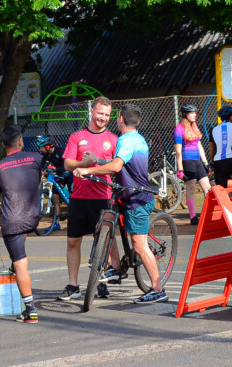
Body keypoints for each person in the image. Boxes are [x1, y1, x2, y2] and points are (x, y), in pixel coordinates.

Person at [73, 104, 167, 304]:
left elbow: (116, 166)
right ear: (137, 122)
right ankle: (115, 268)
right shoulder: (137, 138)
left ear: (121, 119)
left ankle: (158, 289)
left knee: (139, 246)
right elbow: (123, 164)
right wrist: (97, 160)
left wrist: (87, 170)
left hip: (137, 199)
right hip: (126, 194)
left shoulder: (125, 140)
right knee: (105, 221)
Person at [58, 96, 118, 302]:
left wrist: (97, 164)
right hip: (79, 197)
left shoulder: (113, 139)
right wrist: (83, 163)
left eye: (107, 115)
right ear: (91, 112)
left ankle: (101, 281)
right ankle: (73, 285)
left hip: (103, 197)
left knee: (103, 241)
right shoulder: (77, 137)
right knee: (73, 241)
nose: (103, 118)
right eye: (100, 113)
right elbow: (67, 164)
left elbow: (116, 165)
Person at [0, 125, 43, 323]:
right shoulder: (36, 158)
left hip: (12, 219)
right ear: (21, 141)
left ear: (3, 145)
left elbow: (0, 189)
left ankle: (30, 310)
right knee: (21, 247)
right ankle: (16, 264)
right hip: (33, 216)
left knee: (20, 262)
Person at [174, 103, 211, 226]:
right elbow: (178, 150)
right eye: (192, 113)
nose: (195, 115)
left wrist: (205, 162)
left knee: (207, 188)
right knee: (191, 188)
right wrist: (180, 169)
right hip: (187, 161)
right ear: (185, 114)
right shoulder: (179, 128)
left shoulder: (194, 126)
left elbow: (199, 145)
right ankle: (193, 216)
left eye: (195, 113)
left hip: (197, 161)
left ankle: (207, 214)